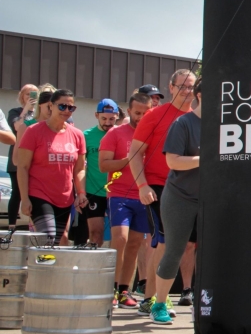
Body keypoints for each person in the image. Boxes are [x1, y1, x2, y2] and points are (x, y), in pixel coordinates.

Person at [129, 69, 196, 315]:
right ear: (171, 87)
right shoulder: (155, 116)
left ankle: (160, 296)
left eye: (191, 87)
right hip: (158, 187)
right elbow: (135, 154)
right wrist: (142, 185)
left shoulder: (199, 118)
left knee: (184, 245)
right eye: (182, 86)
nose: (187, 91)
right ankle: (153, 299)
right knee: (164, 243)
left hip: (188, 189)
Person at [149, 78, 202, 324]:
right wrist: (205, 158)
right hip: (179, 197)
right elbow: (173, 161)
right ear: (200, 95)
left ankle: (205, 305)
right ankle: (159, 303)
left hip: (209, 199)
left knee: (212, 253)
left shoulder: (224, 125)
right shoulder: (183, 123)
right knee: (174, 250)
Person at [100, 92, 152, 309]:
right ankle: (109, 289)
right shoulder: (115, 133)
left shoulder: (154, 133)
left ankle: (123, 290)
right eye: (137, 113)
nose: (141, 117)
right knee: (120, 238)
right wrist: (129, 160)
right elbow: (103, 165)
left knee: (135, 243)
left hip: (143, 195)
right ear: (129, 111)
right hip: (119, 194)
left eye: (145, 113)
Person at [16, 89, 87, 242]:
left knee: (54, 243)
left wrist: (81, 192)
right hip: (39, 194)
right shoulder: (33, 131)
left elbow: (79, 169)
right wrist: (25, 198)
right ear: (51, 106)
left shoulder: (77, 135)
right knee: (47, 239)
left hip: (64, 198)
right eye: (62, 106)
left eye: (71, 108)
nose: (66, 111)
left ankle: (37, 258)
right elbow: (22, 167)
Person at [82, 99, 118, 245]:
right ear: (96, 115)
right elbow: (80, 167)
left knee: (120, 236)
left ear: (117, 116)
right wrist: (80, 192)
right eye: (104, 118)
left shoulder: (122, 133)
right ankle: (94, 260)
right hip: (94, 191)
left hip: (117, 191)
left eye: (111, 119)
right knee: (95, 234)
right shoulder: (86, 135)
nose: (107, 123)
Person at [6, 84, 37, 227]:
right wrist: (26, 109)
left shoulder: (41, 113)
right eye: (28, 94)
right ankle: (11, 226)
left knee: (34, 192)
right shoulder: (15, 112)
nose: (31, 97)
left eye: (34, 94)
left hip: (34, 156)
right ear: (22, 97)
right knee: (17, 192)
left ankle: (33, 225)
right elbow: (17, 127)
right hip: (18, 155)